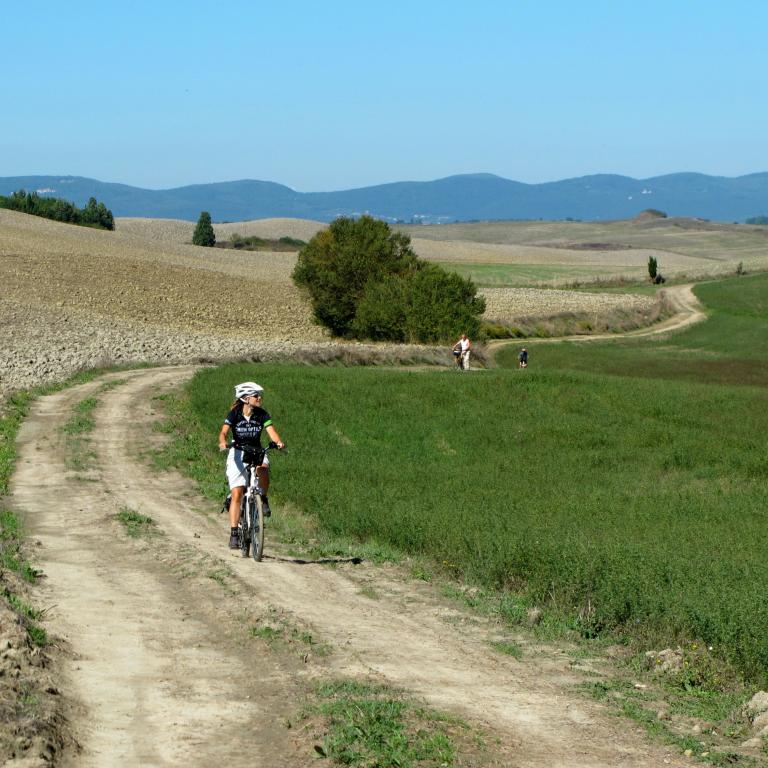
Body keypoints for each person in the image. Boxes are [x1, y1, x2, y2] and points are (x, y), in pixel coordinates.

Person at [218, 381, 284, 549]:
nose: (259, 398)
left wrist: (278, 442)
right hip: (237, 451)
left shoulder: (262, 414)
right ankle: (234, 533)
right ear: (246, 399)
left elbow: (271, 432)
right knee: (237, 493)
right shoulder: (234, 414)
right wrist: (223, 442)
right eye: (256, 396)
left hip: (256, 450)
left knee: (263, 468)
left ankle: (262, 497)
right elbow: (224, 432)